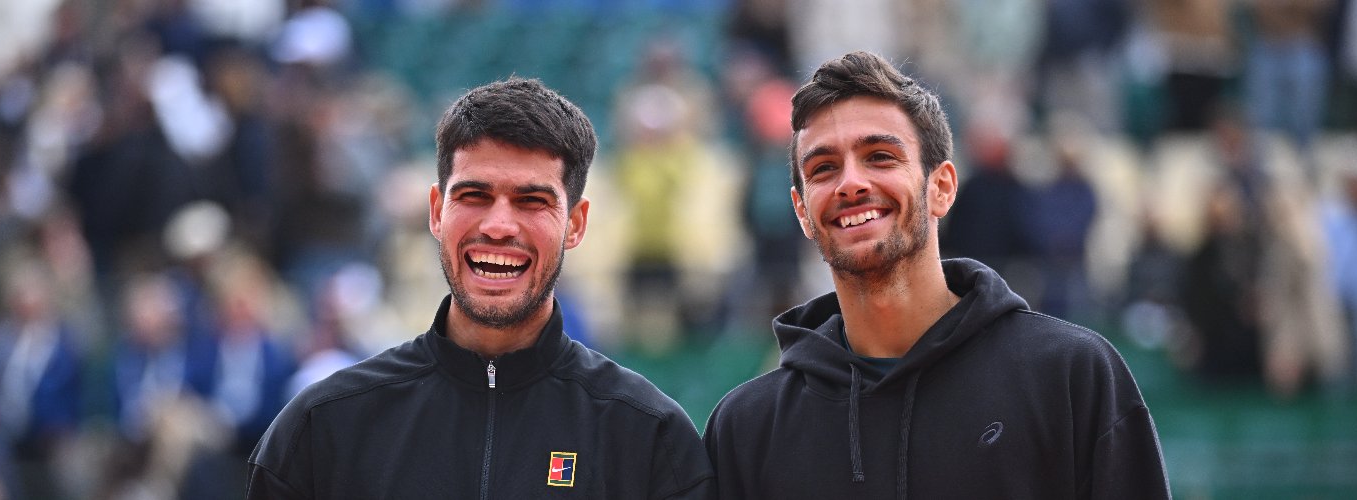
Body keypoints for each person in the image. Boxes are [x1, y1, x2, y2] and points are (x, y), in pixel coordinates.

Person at [703, 51, 1169, 499]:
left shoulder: (1071, 376)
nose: (851, 183)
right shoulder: (746, 429)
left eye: (880, 157)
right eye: (824, 168)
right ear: (802, 211)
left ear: (941, 188)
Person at [247, 77, 715, 499]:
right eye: (474, 196)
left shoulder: (649, 434)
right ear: (436, 211)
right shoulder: (324, 424)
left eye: (532, 200)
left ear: (575, 223)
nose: (497, 226)